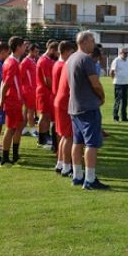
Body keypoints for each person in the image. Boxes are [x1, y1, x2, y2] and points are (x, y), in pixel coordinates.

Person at [67, 31, 109, 190]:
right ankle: (90, 179)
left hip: (74, 106)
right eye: (92, 41)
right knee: (91, 143)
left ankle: (78, 175)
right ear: (84, 42)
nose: (93, 44)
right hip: (88, 106)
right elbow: (95, 83)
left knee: (77, 142)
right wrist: (102, 96)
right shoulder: (86, 59)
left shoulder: (71, 58)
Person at [0, 36, 26, 165]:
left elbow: (4, 82)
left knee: (19, 126)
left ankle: (15, 155)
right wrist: (2, 100)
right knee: (10, 128)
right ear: (18, 47)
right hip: (12, 101)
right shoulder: (12, 63)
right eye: (23, 45)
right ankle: (5, 157)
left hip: (16, 100)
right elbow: (6, 84)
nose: (25, 48)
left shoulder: (12, 61)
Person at [53, 40, 76, 177]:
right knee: (68, 136)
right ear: (67, 52)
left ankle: (61, 163)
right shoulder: (65, 65)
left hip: (58, 101)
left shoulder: (58, 64)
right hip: (64, 103)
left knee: (63, 136)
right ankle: (67, 166)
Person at [36, 41, 58, 148]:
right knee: (44, 116)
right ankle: (41, 139)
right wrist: (56, 89)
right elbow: (47, 80)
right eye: (56, 52)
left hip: (48, 92)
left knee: (47, 116)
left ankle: (44, 137)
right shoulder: (44, 61)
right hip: (44, 92)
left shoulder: (48, 60)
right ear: (52, 50)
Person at [20, 43, 39, 137]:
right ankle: (32, 129)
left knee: (26, 110)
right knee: (30, 110)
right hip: (28, 90)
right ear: (30, 51)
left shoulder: (33, 60)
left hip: (32, 89)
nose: (36, 53)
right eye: (35, 51)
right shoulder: (25, 61)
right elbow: (21, 76)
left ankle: (23, 128)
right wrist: (26, 88)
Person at [109, 47, 128, 122]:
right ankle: (115, 117)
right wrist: (114, 79)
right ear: (120, 53)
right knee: (117, 101)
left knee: (125, 101)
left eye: (127, 53)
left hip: (126, 83)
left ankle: (124, 117)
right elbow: (112, 71)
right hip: (118, 83)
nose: (126, 54)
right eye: (125, 53)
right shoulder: (116, 60)